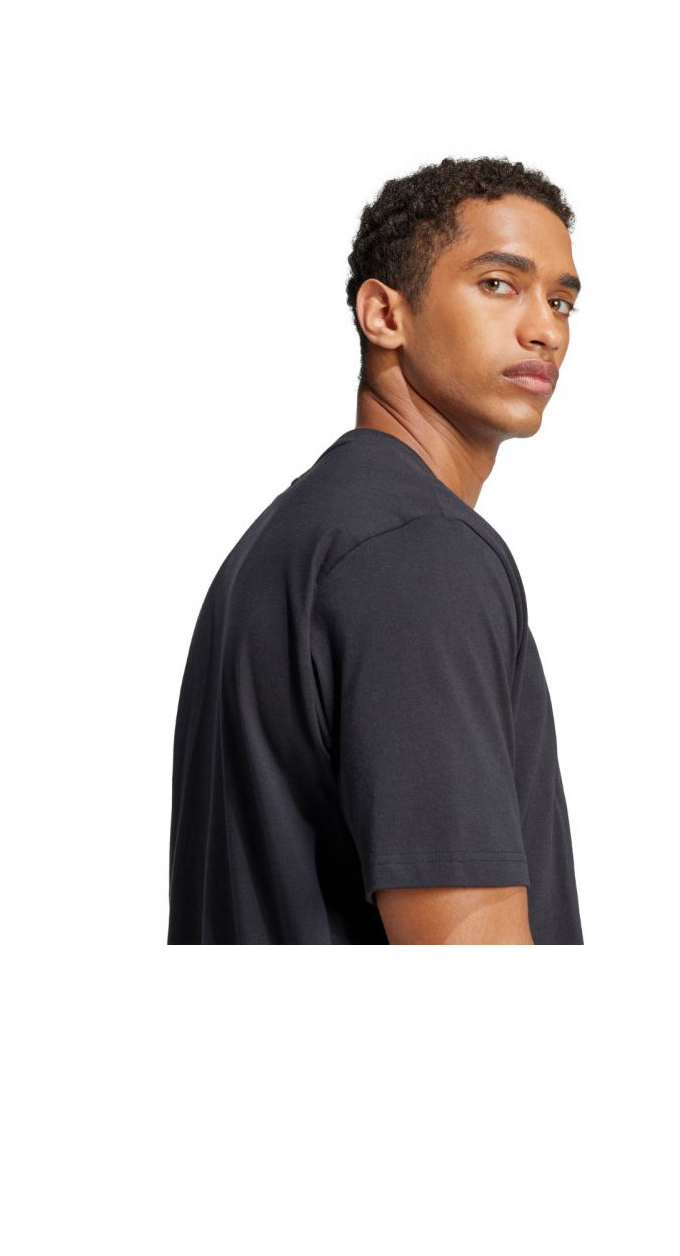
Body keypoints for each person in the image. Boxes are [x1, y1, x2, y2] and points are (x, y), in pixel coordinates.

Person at [168, 155, 584, 944]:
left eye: (561, 300)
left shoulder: (291, 540)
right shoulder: (422, 556)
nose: (546, 330)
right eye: (499, 284)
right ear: (384, 314)